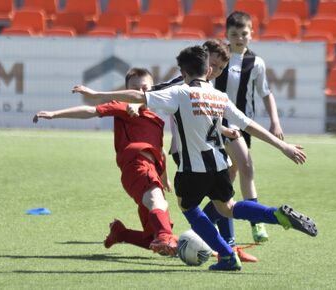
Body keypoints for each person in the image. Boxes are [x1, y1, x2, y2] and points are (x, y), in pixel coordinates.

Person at [72, 45, 318, 271]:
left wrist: (97, 93)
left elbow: (139, 96)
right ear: (209, 70)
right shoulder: (219, 97)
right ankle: (276, 215)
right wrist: (282, 146)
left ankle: (227, 256)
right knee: (228, 208)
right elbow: (249, 125)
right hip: (220, 164)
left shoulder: (179, 93)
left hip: (193, 169)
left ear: (182, 71)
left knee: (188, 207)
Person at [33, 68, 178, 256]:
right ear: (127, 91)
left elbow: (160, 152)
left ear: (153, 89)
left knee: (153, 238)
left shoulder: (157, 120)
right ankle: (166, 237)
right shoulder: (124, 107)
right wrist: (55, 114)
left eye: (145, 88)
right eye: (135, 88)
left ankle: (121, 233)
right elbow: (91, 111)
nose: (140, 92)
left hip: (152, 171)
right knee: (157, 203)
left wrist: (165, 178)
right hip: (137, 166)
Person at [151, 39, 258, 263]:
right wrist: (134, 103)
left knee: (223, 194)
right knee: (214, 199)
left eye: (220, 68)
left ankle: (227, 247)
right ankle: (221, 246)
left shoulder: (208, 88)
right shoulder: (182, 82)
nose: (215, 71)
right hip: (187, 150)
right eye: (214, 65)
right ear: (203, 58)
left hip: (208, 145)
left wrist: (224, 129)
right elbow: (154, 93)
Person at [214, 11, 285, 243]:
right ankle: (258, 223)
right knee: (246, 167)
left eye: (244, 33)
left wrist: (275, 121)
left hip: (244, 124)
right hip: (220, 124)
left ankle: (207, 220)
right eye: (234, 34)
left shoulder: (256, 62)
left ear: (251, 34)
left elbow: (266, 94)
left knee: (231, 175)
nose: (239, 38)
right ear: (226, 34)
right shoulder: (215, 57)